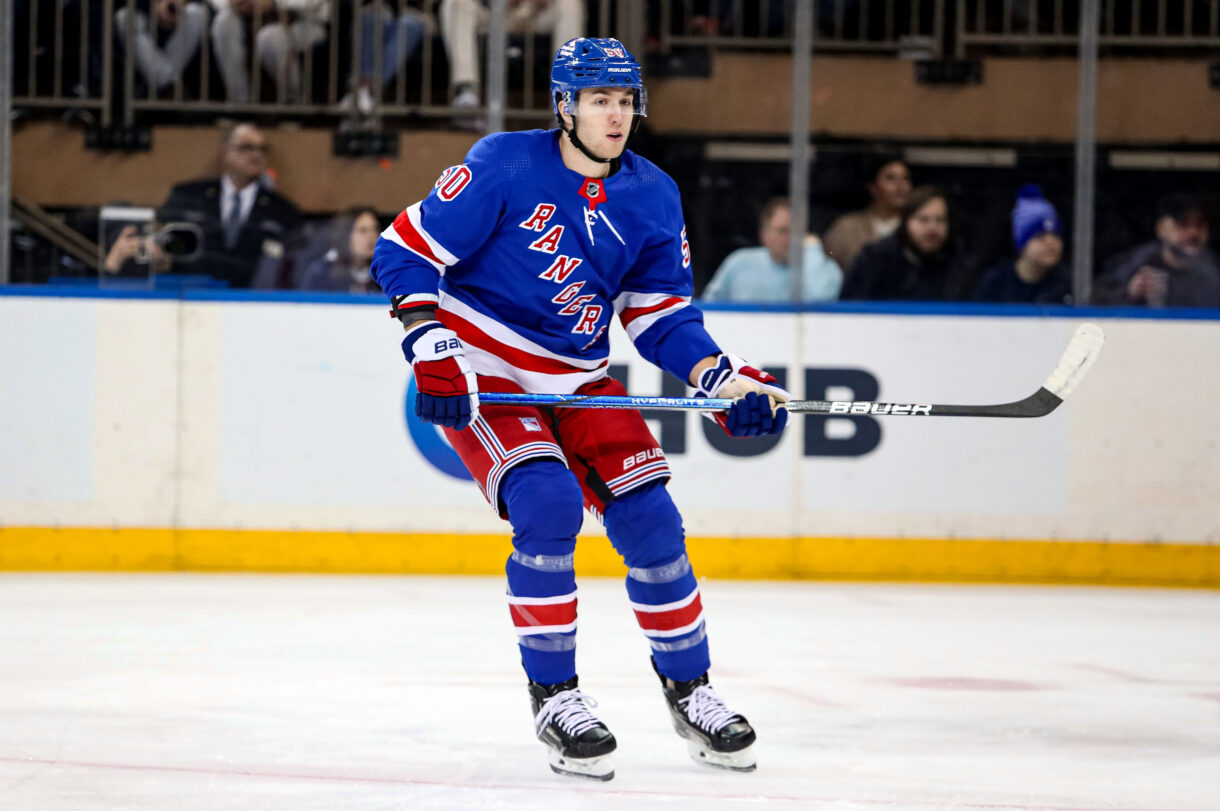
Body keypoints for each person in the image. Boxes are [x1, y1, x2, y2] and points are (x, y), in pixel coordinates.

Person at [371, 37, 788, 781]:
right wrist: (429, 342)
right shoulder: (503, 164)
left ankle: (691, 690)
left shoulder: (653, 194)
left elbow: (659, 316)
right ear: (565, 105)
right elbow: (403, 249)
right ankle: (556, 697)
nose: (616, 114)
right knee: (548, 502)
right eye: (599, 100)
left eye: (625, 100)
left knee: (652, 519)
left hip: (580, 376)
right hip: (489, 373)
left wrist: (721, 379)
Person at [162, 123, 302, 288]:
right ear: (224, 152)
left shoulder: (284, 211)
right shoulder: (189, 196)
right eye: (246, 147)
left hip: (255, 303)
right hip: (190, 297)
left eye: (262, 149)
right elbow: (162, 248)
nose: (256, 155)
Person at [439, 0, 584, 112]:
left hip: (534, 11)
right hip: (490, 11)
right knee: (455, 3)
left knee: (570, 3)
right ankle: (467, 92)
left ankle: (566, 96)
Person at [841, 185, 971, 301]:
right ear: (905, 222)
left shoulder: (960, 262)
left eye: (940, 220)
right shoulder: (874, 259)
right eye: (923, 220)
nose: (933, 229)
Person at [701, 196, 842, 302]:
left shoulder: (822, 267)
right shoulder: (739, 263)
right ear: (764, 235)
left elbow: (821, 298)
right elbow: (710, 307)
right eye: (783, 231)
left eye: (797, 231)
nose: (791, 238)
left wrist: (812, 248)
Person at [1094, 193, 1220, 308]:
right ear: (1161, 229)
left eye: (1200, 225)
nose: (1193, 233)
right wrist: (1128, 293)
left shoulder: (1214, 267)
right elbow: (1094, 301)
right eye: (1183, 224)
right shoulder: (1136, 263)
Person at [209, 0, 329, 103]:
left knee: (269, 38)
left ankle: (293, 101)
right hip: (250, 17)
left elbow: (319, 7)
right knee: (224, 21)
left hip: (304, 22)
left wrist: (273, 3)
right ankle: (240, 103)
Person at [975, 185, 1072, 304]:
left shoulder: (1068, 284)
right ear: (1022, 244)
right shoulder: (995, 284)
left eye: (1056, 234)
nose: (1051, 242)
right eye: (1040, 236)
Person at [822, 154, 911, 276]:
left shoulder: (917, 227)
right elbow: (826, 274)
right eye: (890, 178)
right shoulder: (846, 228)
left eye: (905, 178)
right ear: (872, 187)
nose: (900, 186)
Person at [113, 0, 210, 95]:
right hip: (144, 19)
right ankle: (168, 84)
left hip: (177, 23)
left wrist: (181, 3)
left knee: (197, 13)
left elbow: (207, 5)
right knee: (125, 17)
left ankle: (166, 84)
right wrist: (153, 8)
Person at [298, 206, 383, 293]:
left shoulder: (384, 272)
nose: (372, 236)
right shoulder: (321, 274)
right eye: (363, 230)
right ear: (345, 235)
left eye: (375, 229)